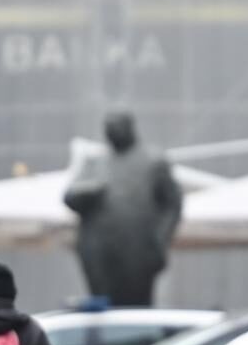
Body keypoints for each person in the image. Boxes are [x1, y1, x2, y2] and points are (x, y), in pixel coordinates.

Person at [63, 112, 183, 306]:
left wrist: (160, 240)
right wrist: (88, 192)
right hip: (99, 251)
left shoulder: (152, 163)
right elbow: (69, 198)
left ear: (130, 128)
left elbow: (173, 204)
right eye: (109, 127)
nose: (112, 132)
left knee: (136, 307)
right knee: (105, 307)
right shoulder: (95, 163)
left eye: (116, 126)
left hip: (138, 251)